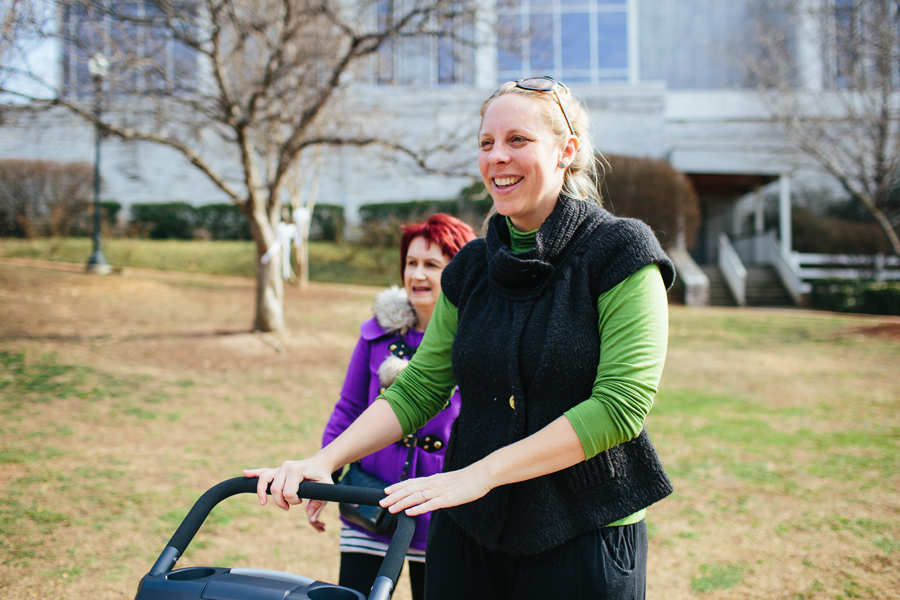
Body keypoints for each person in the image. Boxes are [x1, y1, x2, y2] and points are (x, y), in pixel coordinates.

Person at [245, 76, 676, 600]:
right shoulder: (470, 267)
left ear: (568, 150)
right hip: (470, 527)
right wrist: (325, 459)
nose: (497, 156)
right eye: (486, 143)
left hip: (585, 528)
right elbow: (418, 386)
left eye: (518, 140)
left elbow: (620, 407)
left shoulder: (620, 250)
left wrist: (483, 473)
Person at [311, 213, 474, 600]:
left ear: (459, 272)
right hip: (370, 502)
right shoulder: (376, 335)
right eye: (411, 262)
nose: (417, 274)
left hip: (443, 510)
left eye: (432, 265)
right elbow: (348, 409)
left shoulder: (475, 342)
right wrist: (327, 475)